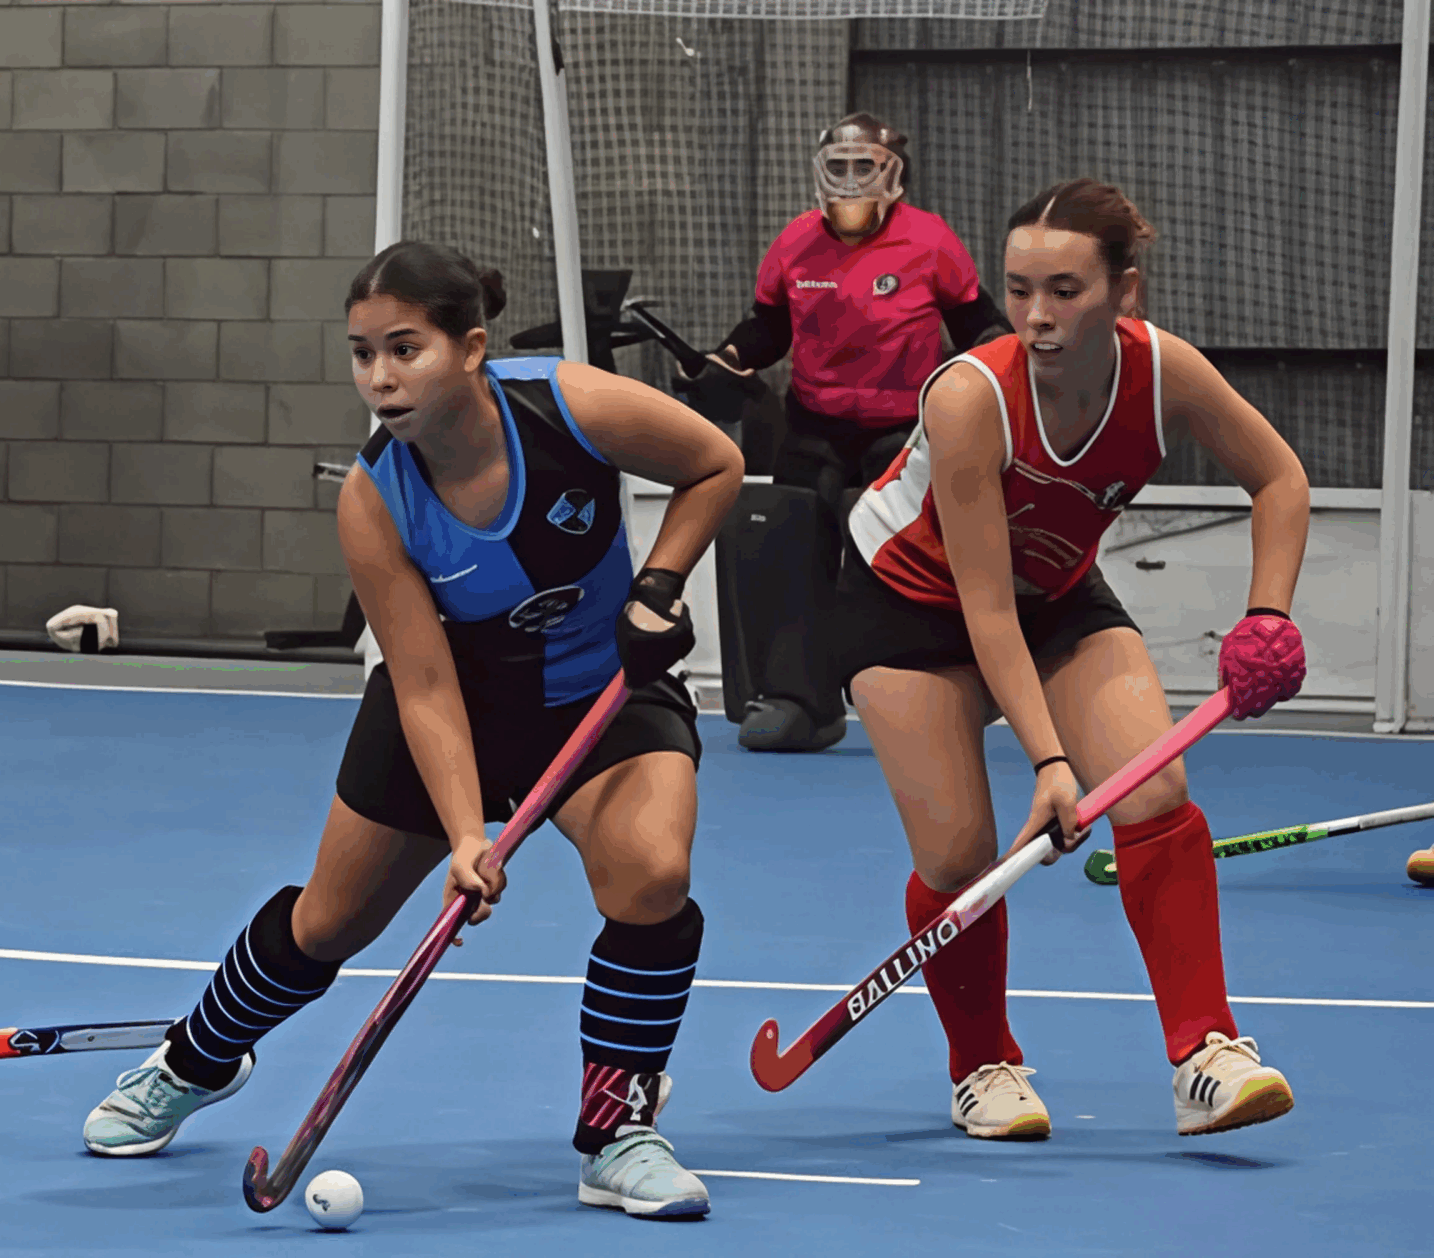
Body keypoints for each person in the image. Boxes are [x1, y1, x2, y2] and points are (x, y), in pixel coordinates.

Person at [78, 242, 742, 1220]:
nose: (380, 379)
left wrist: (659, 585)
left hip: (601, 691)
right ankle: (195, 1058)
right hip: (452, 706)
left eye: (404, 349)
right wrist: (467, 833)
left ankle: (617, 1133)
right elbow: (425, 683)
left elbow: (714, 463)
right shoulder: (373, 498)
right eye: (362, 354)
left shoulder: (567, 406)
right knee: (328, 924)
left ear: (469, 348)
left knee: (651, 876)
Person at [837, 178, 1307, 1141]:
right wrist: (1051, 764)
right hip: (907, 601)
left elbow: (1279, 478)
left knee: (1154, 789)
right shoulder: (969, 398)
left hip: (1054, 595)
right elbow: (984, 608)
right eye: (1018, 291)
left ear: (1124, 291)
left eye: (1065, 290)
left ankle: (1207, 1053)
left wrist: (1268, 614)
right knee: (960, 855)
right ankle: (983, 1067)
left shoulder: (1165, 371)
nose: (1037, 317)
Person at [699, 113, 1009, 751]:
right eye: (837, 167)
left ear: (893, 174)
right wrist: (727, 357)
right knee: (793, 552)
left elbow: (976, 322)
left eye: (863, 166)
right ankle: (800, 701)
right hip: (814, 424)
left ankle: (927, 692)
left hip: (903, 429)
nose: (849, 180)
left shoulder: (931, 240)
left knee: (902, 561)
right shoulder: (795, 242)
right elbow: (768, 328)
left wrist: (1003, 359)